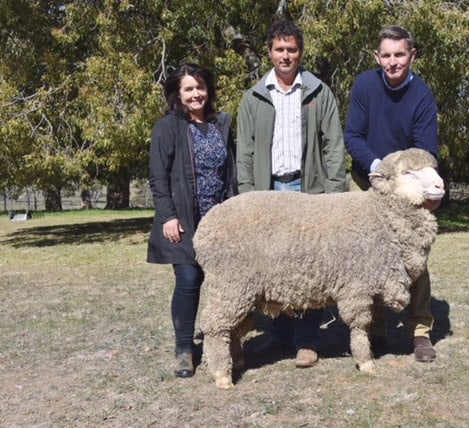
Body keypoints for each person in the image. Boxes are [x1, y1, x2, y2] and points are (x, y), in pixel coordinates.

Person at [236, 20, 346, 368]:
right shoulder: (254, 97)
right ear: (270, 52)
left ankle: (308, 341)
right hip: (268, 193)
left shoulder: (318, 92)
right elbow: (246, 153)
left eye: (292, 49)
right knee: (274, 265)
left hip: (307, 190)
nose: (286, 56)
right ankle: (280, 335)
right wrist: (248, 198)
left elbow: (333, 148)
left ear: (301, 52)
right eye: (280, 49)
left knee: (310, 266)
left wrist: (334, 196)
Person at [344, 25, 440, 362]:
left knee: (416, 257)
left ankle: (420, 331)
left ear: (412, 55)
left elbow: (426, 150)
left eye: (400, 54)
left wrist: (401, 179)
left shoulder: (422, 95)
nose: (393, 62)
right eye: (386, 55)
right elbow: (353, 135)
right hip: (367, 177)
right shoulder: (365, 86)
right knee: (367, 257)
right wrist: (376, 167)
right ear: (377, 56)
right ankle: (375, 329)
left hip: (407, 182)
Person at [147, 63, 238, 378]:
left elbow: (230, 172)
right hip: (184, 218)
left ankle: (228, 341)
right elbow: (158, 176)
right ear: (178, 93)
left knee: (227, 281)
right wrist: (167, 216)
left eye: (200, 87)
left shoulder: (221, 124)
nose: (196, 94)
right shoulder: (168, 127)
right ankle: (184, 349)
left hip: (219, 219)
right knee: (188, 280)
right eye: (188, 89)